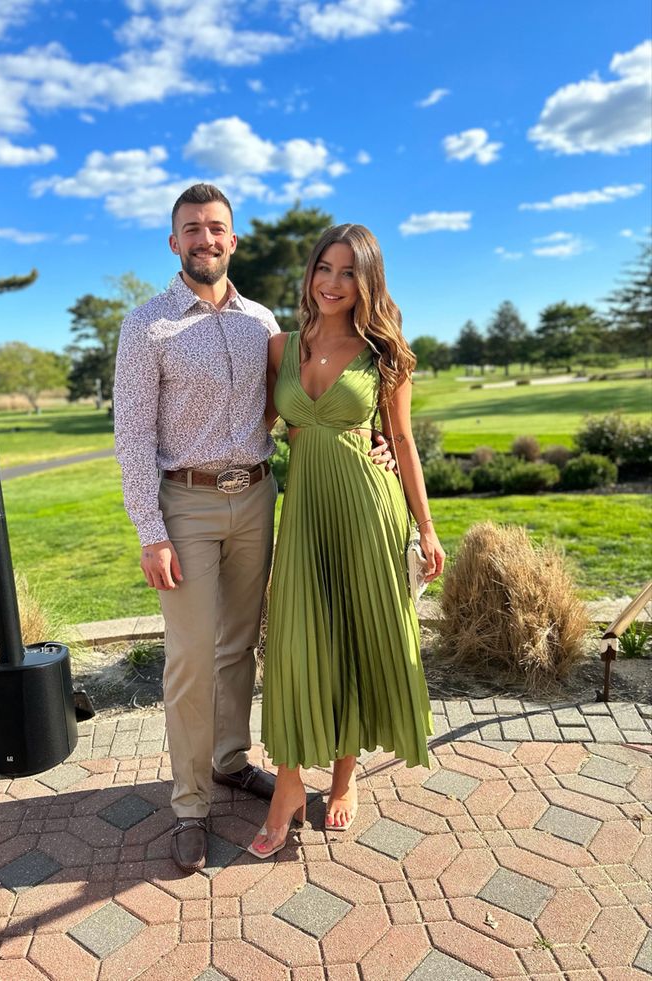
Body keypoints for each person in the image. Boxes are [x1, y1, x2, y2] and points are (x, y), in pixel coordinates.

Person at [114, 186, 392, 874]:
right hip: (186, 504)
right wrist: (150, 528)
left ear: (233, 241)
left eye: (217, 228)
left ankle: (232, 761)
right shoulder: (146, 325)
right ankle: (189, 803)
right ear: (173, 242)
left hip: (259, 497)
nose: (205, 238)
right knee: (190, 656)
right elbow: (131, 436)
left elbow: (303, 409)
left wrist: (374, 439)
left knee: (241, 644)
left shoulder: (262, 323)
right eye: (191, 229)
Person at [249, 223, 446, 859]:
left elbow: (404, 440)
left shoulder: (383, 352)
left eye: (348, 273)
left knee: (356, 636)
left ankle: (344, 774)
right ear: (309, 275)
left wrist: (426, 526)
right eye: (323, 270)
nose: (333, 284)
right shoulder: (281, 348)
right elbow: (256, 423)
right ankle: (286, 783)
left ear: (367, 281)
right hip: (305, 514)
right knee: (298, 640)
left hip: (368, 510)